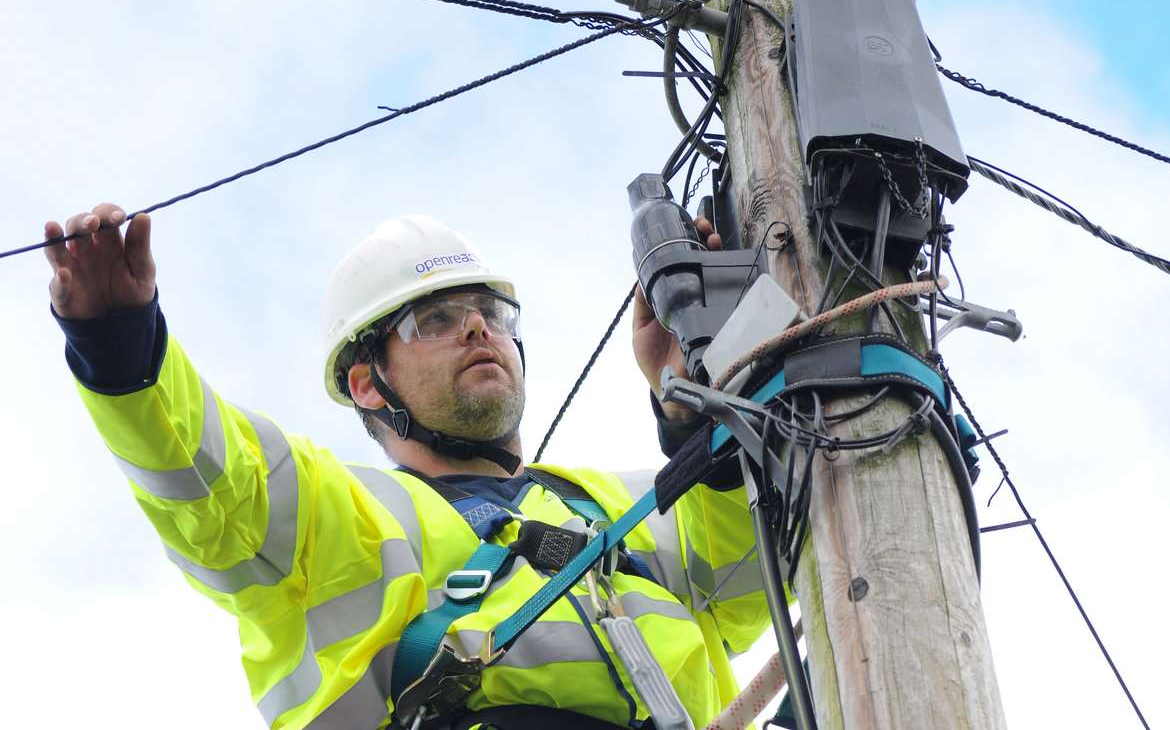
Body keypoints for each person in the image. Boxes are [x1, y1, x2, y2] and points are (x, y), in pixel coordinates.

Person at [46, 204, 769, 730]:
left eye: (489, 311)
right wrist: (119, 342)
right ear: (368, 382)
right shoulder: (343, 517)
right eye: (435, 320)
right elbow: (210, 479)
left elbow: (758, 565)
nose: (479, 327)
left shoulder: (616, 501)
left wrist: (695, 401)